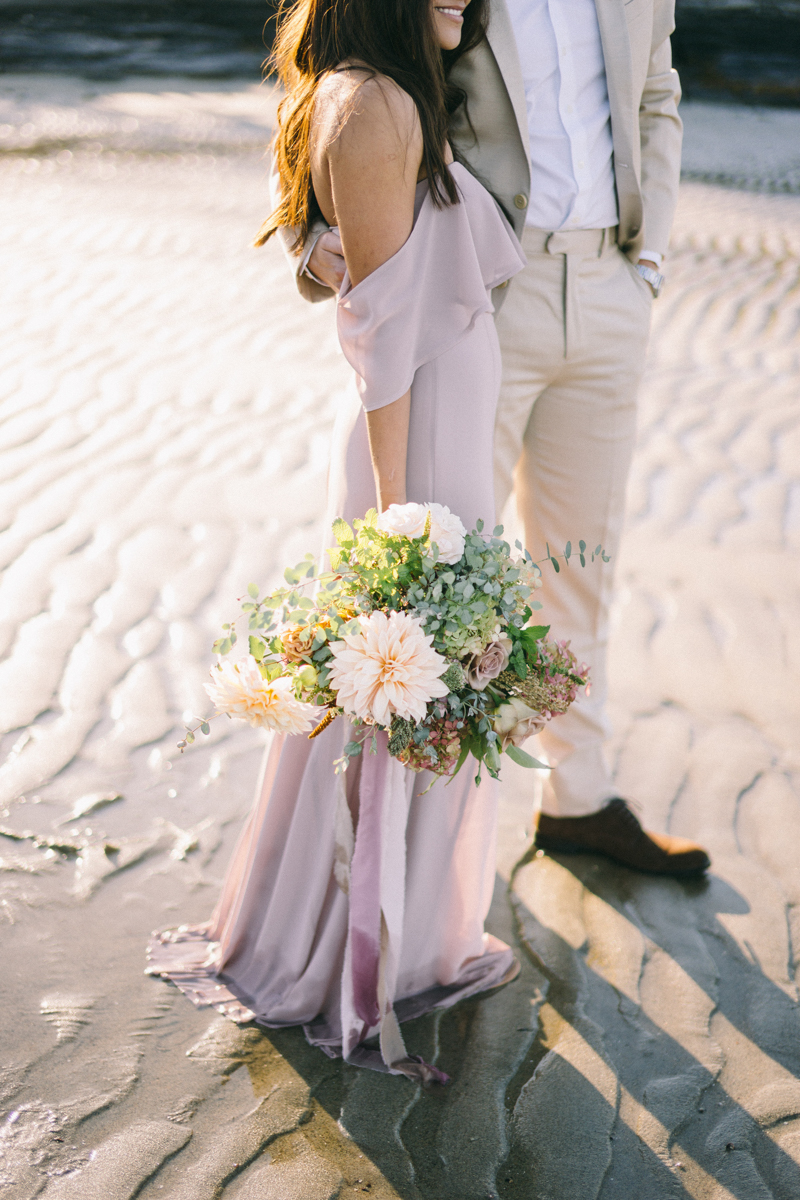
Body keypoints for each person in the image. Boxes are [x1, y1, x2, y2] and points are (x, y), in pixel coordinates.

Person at [147, 0, 527, 1080]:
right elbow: (383, 338)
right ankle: (353, 950)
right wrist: (397, 523)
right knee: (395, 674)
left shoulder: (389, 94)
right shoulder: (374, 105)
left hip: (435, 437)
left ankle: (404, 931)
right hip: (413, 449)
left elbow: (349, 275)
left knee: (416, 683)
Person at [296, 0, 711, 877]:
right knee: (444, 573)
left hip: (609, 288)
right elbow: (338, 63)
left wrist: (650, 262)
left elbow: (658, 93)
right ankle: (411, 860)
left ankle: (579, 800)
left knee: (581, 562)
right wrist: (309, 231)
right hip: (478, 290)